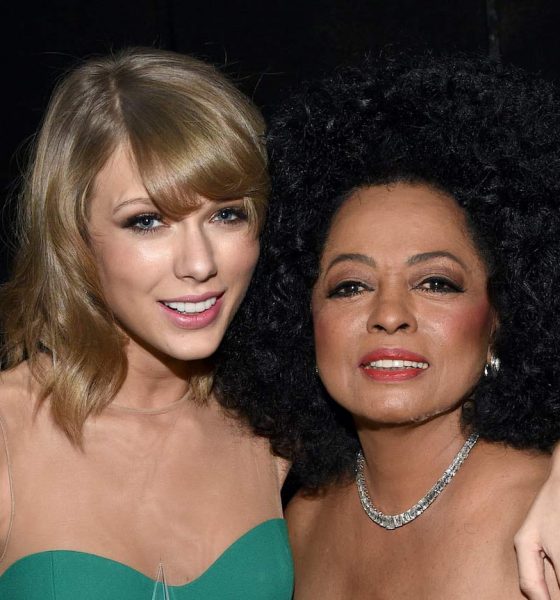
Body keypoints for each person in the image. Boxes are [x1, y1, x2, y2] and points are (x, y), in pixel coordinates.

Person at [219, 54, 560, 598]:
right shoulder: (296, 528)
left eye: (436, 283)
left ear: (500, 316)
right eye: (350, 286)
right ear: (299, 316)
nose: (390, 314)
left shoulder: (547, 513)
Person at [0, 48, 294, 599]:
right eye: (148, 221)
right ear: (74, 239)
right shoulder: (8, 434)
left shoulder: (274, 434)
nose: (200, 263)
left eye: (227, 214)